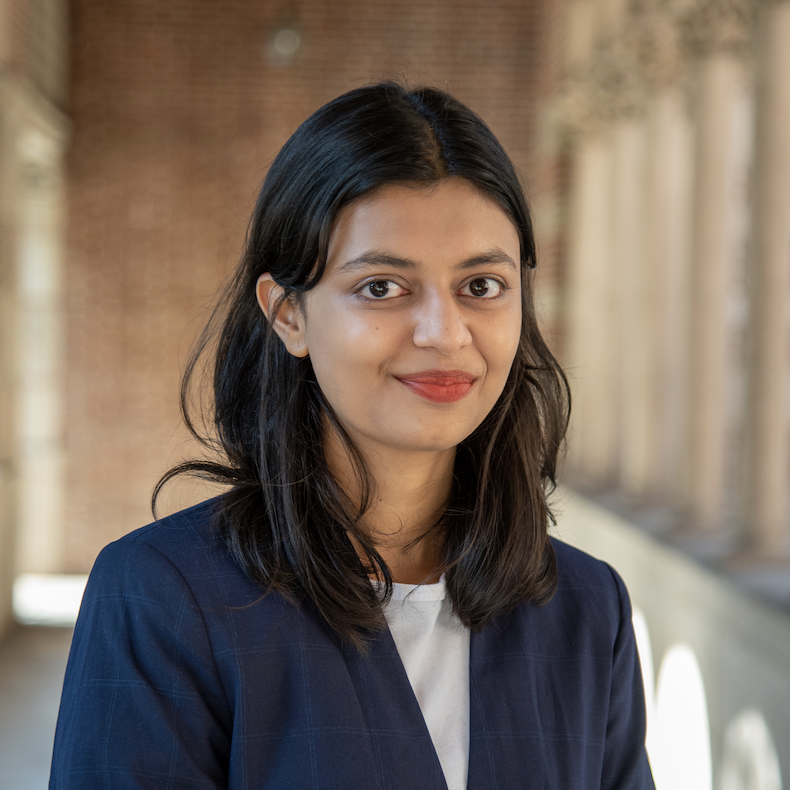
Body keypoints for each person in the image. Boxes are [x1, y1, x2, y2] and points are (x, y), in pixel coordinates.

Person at [50, 82, 654, 789]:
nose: (445, 333)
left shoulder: (586, 609)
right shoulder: (166, 599)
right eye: (382, 288)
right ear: (288, 315)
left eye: (482, 285)